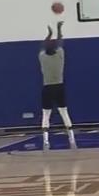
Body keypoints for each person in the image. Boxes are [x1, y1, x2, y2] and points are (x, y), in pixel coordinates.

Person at [39, 21, 77, 150]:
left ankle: (46, 141)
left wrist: (49, 34)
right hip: (59, 86)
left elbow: (45, 45)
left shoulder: (42, 57)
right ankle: (72, 139)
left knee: (46, 115)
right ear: (55, 49)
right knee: (64, 113)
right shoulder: (60, 54)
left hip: (48, 87)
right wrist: (59, 28)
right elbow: (60, 42)